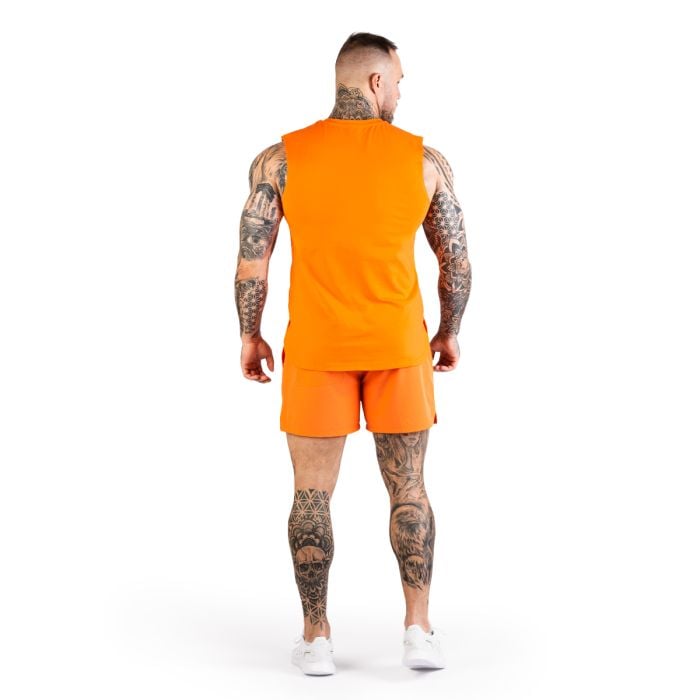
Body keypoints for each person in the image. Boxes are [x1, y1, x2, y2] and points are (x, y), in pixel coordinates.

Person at [235, 31, 471, 675]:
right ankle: (418, 631)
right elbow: (456, 262)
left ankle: (316, 640)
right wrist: (448, 330)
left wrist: (250, 334)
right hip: (398, 346)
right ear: (374, 81)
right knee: (410, 488)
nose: (400, 92)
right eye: (398, 81)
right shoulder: (424, 160)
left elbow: (252, 263)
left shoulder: (280, 160)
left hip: (316, 348)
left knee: (311, 494)